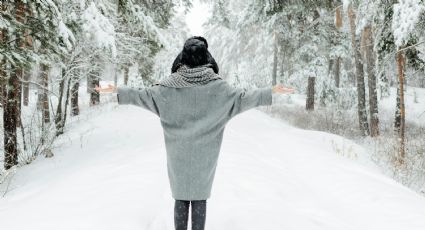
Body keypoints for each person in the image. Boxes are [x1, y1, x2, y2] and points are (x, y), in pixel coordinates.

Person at [96, 36, 295, 230]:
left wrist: (117, 89)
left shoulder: (167, 88)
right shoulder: (219, 88)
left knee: (180, 197)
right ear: (207, 58)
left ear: (182, 58)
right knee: (200, 198)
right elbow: (245, 98)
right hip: (204, 157)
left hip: (178, 155)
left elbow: (141, 95)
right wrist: (271, 91)